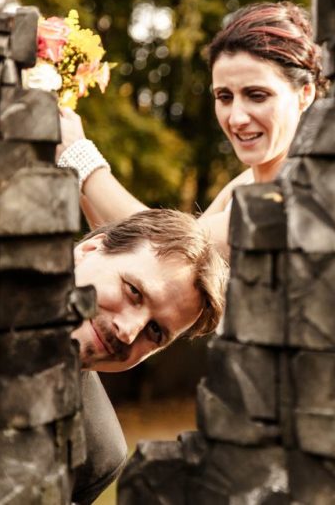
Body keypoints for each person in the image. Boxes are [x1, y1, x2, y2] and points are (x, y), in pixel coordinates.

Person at [57, 2, 329, 256]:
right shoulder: (244, 183)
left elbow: (169, 250)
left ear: (305, 94)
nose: (236, 118)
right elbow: (130, 249)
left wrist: (81, 157)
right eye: (224, 97)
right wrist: (73, 168)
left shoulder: (305, 189)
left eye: (257, 95)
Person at [68, 208, 227, 504]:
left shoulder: (94, 451)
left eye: (155, 331)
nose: (128, 331)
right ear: (89, 250)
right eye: (134, 292)